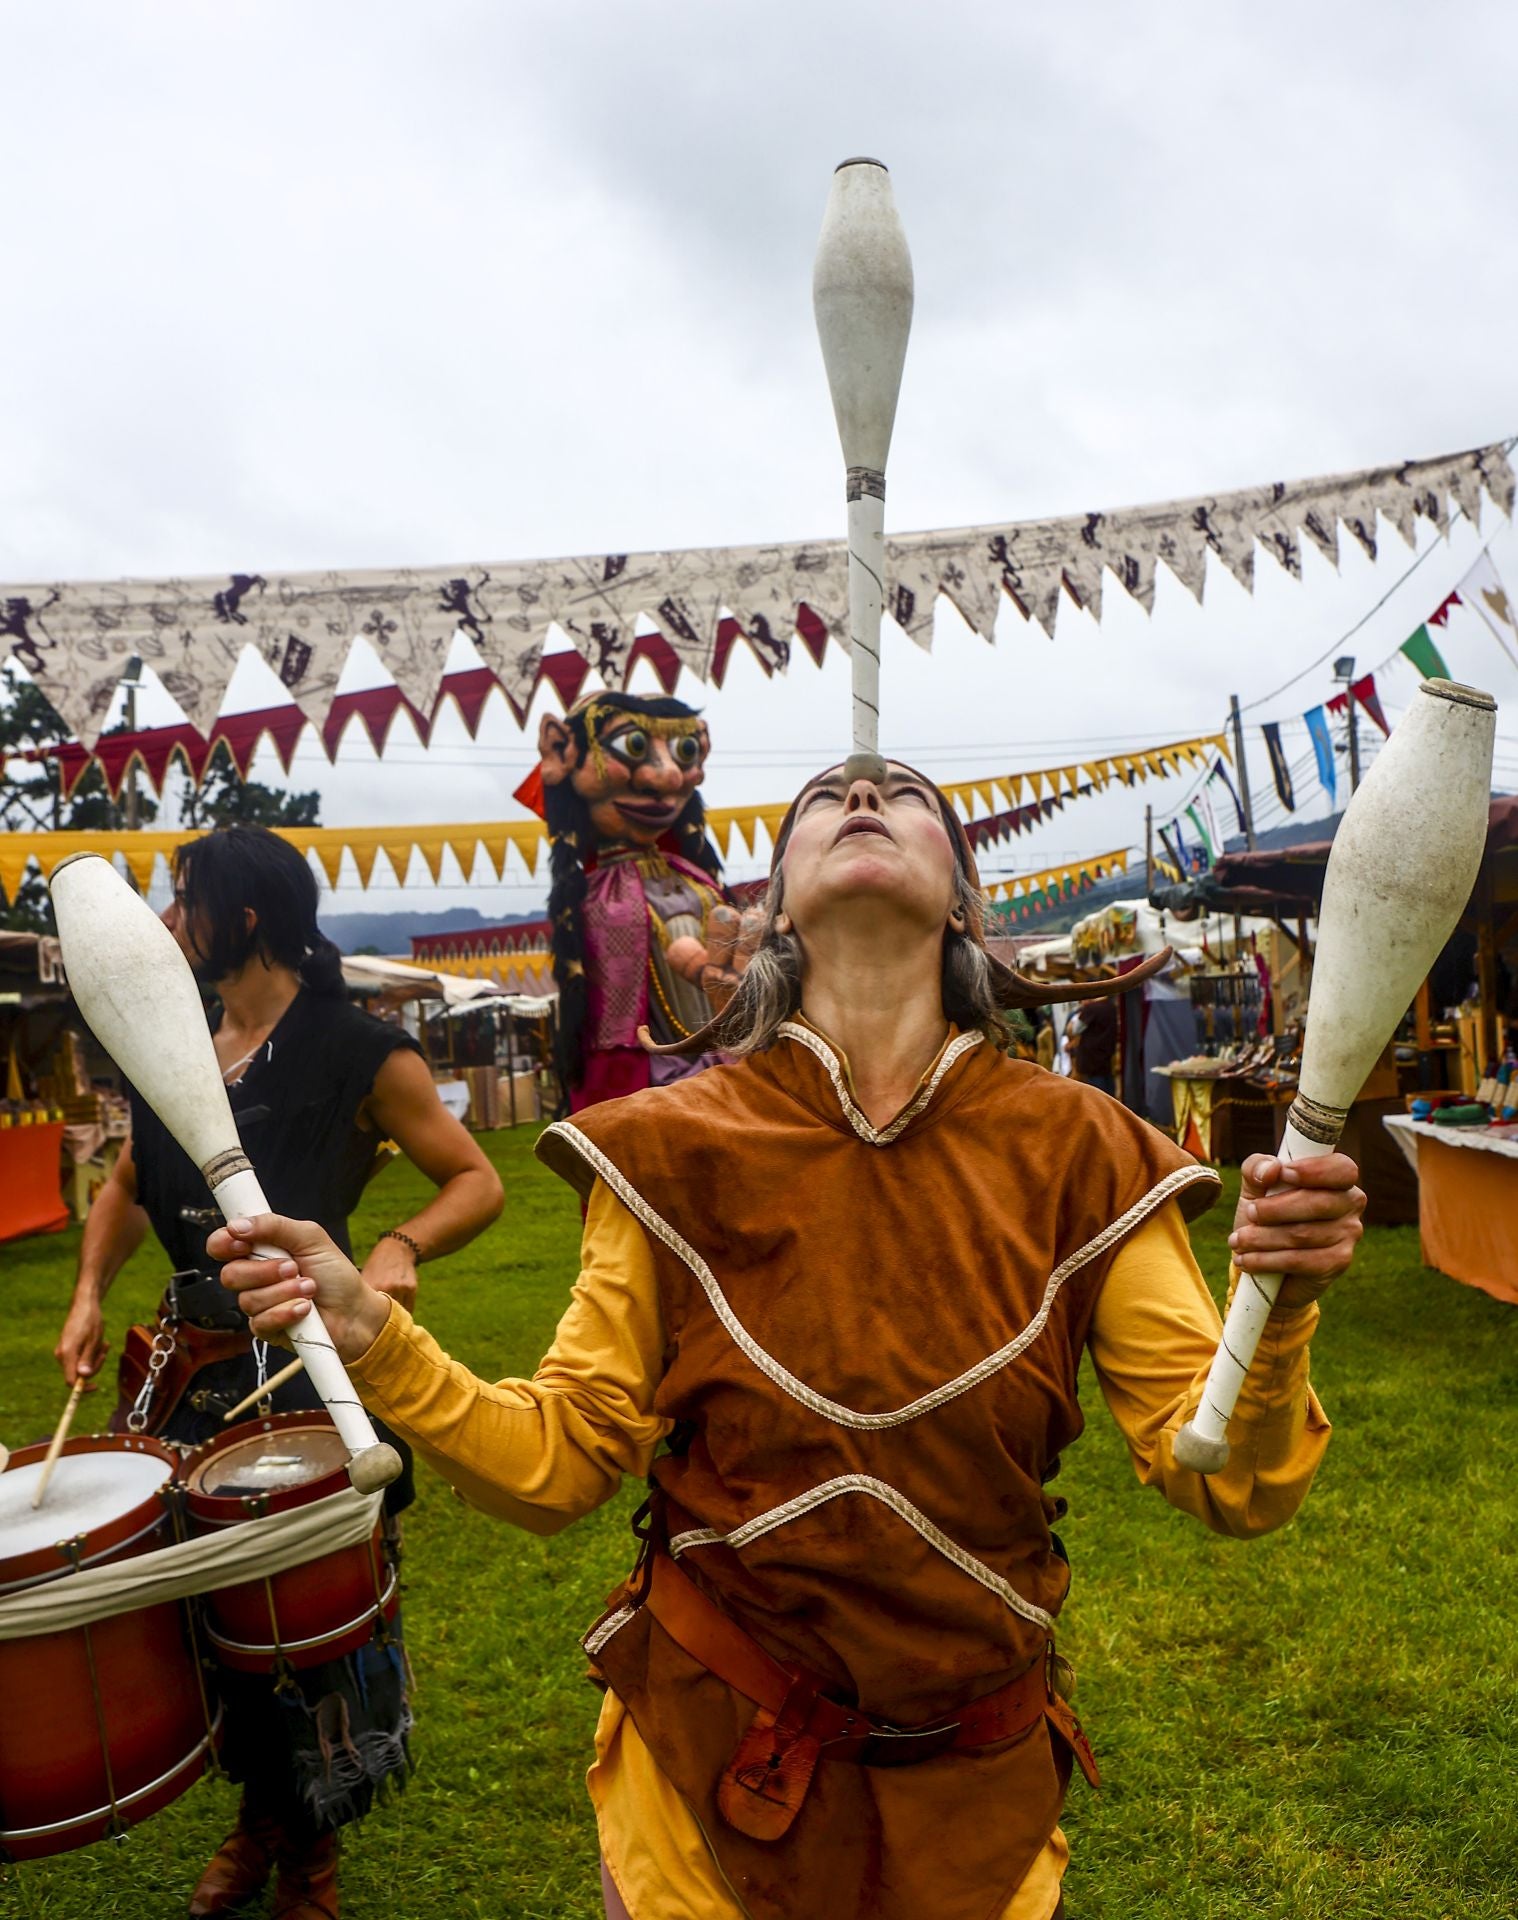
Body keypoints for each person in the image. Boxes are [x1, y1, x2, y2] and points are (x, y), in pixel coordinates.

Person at [211, 766, 1363, 1920]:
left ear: (964, 897)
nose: (864, 795)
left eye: (904, 794)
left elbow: (1231, 1483)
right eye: (830, 798)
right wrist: (370, 1330)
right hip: (703, 1772)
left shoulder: (1093, 1152)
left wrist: (1286, 1306)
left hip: (975, 1785)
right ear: (771, 911)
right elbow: (556, 1462)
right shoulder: (667, 1146)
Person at [54, 824, 503, 1920]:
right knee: (205, 1620)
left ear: (242, 919)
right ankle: (262, 1814)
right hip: (182, 1374)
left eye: (184, 904)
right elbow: (123, 1184)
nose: (166, 930)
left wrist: (395, 1248)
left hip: (299, 1374)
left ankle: (310, 1852)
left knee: (300, 1628)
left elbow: (474, 1177)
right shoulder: (177, 1041)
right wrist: (85, 1291)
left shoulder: (359, 1047)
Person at [1068, 991, 1118, 1094]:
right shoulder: (1111, 1007)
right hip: (1107, 1052)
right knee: (1108, 1085)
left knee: (1097, 1090)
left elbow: (1076, 1029)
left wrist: (1073, 1022)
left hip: (1091, 1056)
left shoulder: (1090, 1008)